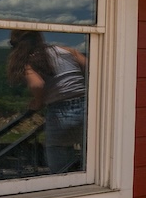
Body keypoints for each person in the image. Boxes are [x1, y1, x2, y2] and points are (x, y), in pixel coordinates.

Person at [7, 30, 88, 174]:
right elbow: (90, 67)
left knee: (59, 158)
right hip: (86, 107)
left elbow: (37, 84)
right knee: (92, 155)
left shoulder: (28, 61)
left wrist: (38, 102)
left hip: (60, 112)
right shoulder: (65, 50)